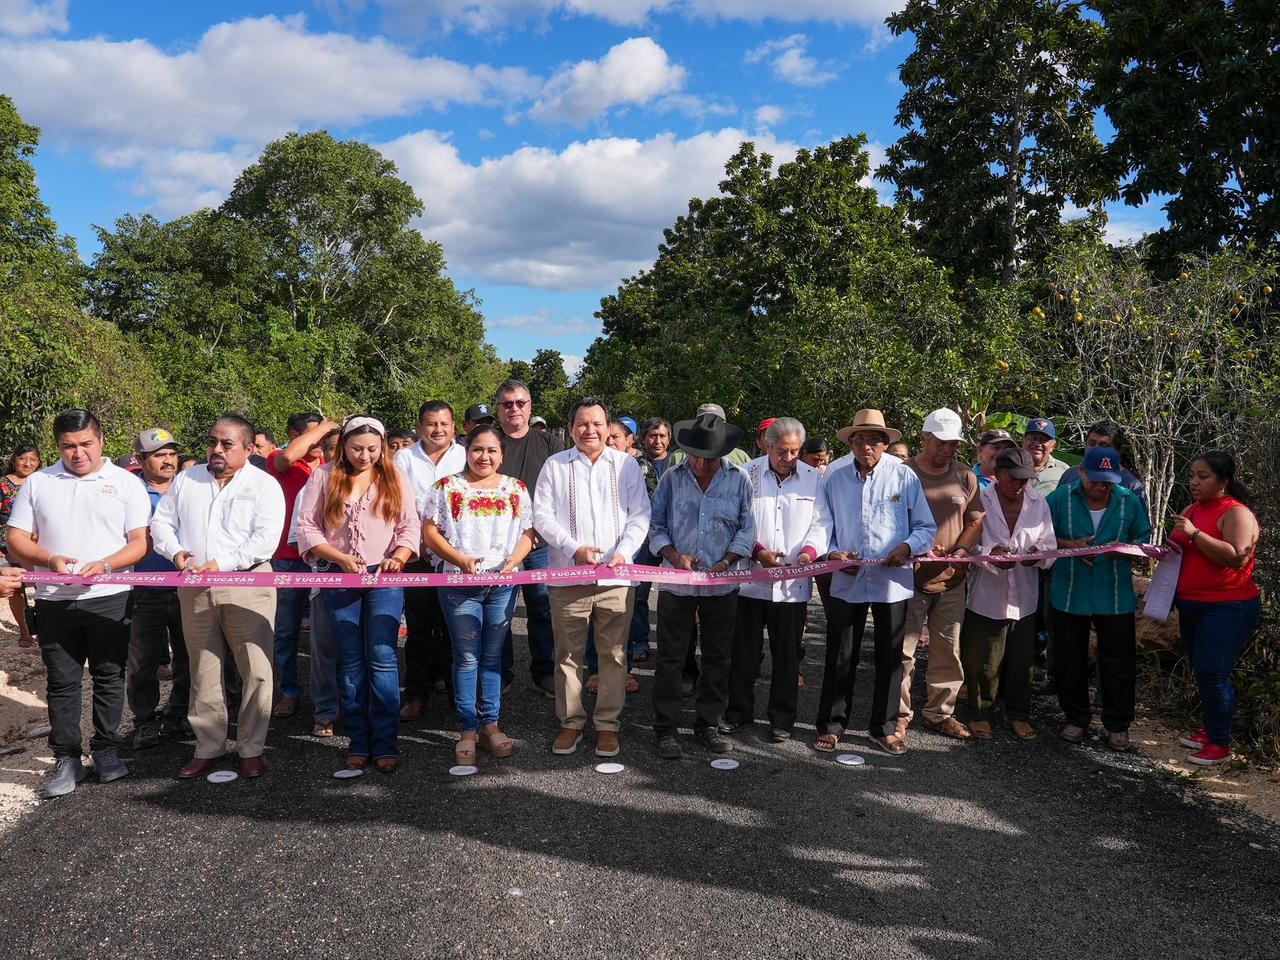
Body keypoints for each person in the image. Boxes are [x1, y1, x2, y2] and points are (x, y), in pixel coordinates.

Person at [6, 409, 150, 798]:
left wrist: (106, 564)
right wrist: (48, 559)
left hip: (110, 597)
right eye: (68, 446)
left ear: (101, 441)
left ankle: (105, 749)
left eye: (86, 443)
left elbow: (139, 542)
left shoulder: (125, 483)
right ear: (58, 446)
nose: (78, 453)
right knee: (62, 682)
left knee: (108, 675)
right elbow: (16, 538)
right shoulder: (38, 482)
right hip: (54, 599)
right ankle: (67, 758)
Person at [150, 414, 286, 780]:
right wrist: (177, 553)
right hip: (194, 584)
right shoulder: (186, 480)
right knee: (203, 668)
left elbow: (265, 539)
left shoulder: (264, 485)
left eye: (227, 444)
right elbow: (160, 523)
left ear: (249, 449)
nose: (217, 450)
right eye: (213, 442)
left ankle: (251, 748)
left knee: (256, 670)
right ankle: (208, 746)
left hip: (247, 583)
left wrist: (221, 563)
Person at [799, 409, 936, 756]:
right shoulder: (835, 476)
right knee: (841, 651)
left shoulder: (904, 477)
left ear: (886, 443)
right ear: (850, 442)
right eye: (858, 439)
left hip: (893, 579)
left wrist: (907, 547)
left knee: (891, 655)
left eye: (874, 439)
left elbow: (925, 528)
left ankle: (884, 727)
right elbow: (821, 522)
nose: (866, 446)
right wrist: (830, 554)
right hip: (848, 577)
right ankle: (832, 724)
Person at [296, 417, 419, 773]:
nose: (364, 456)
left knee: (382, 656)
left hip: (385, 575)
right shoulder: (323, 476)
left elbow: (409, 523)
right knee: (349, 659)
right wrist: (339, 558)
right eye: (356, 449)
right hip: (340, 575)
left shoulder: (394, 476)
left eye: (372, 449)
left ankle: (385, 741)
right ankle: (359, 740)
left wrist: (399, 556)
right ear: (343, 446)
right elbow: (307, 525)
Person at [534, 399, 650, 758]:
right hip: (569, 576)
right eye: (582, 424)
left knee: (614, 655)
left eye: (597, 424)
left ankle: (607, 725)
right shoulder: (555, 465)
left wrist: (624, 552)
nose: (590, 430)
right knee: (567, 655)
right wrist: (574, 548)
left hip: (616, 576)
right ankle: (570, 723)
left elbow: (640, 514)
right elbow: (542, 515)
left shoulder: (626, 465)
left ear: (607, 426)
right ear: (571, 429)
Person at [421, 425, 536, 765]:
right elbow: (431, 532)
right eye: (477, 449)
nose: (484, 457)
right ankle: (467, 729)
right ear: (466, 450)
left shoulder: (516, 489)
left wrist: (514, 560)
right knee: (466, 656)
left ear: (502, 454)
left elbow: (528, 532)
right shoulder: (447, 487)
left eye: (492, 451)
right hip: (458, 585)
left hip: (502, 586)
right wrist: (460, 560)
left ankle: (491, 724)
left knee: (492, 655)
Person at [649, 410, 755, 759]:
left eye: (711, 458)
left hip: (721, 585)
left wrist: (728, 561)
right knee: (670, 658)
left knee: (718, 657)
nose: (704, 464)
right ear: (688, 450)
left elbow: (747, 529)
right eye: (698, 456)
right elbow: (656, 524)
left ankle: (707, 724)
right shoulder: (671, 478)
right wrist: (673, 555)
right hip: (677, 584)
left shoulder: (739, 479)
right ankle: (665, 728)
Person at [1046, 446, 1151, 751]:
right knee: (1070, 657)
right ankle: (1076, 718)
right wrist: (1069, 545)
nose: (1100, 487)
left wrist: (1126, 547)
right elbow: (1039, 537)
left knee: (1119, 661)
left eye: (1106, 481)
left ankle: (1118, 725)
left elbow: (1142, 539)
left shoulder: (1128, 500)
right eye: (1094, 480)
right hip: (1070, 590)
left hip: (1114, 593)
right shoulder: (1060, 498)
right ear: (1081, 473)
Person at [723, 417, 820, 742]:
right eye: (782, 451)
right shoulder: (745, 474)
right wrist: (759, 550)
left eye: (794, 451)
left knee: (788, 656)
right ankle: (738, 712)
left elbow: (822, 523)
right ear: (767, 445)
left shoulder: (813, 479)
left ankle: (782, 720)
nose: (788, 458)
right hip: (751, 579)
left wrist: (809, 552)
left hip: (793, 585)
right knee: (744, 653)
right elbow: (737, 522)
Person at [1168, 451, 1261, 766]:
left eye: (1203, 476)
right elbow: (1179, 550)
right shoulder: (1192, 509)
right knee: (1203, 671)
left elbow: (1237, 556)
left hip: (1227, 607)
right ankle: (1210, 730)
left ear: (1224, 480)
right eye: (1192, 475)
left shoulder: (1237, 513)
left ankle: (1220, 744)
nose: (1194, 482)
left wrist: (1194, 534)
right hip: (1192, 605)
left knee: (1212, 672)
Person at [897, 409, 984, 742]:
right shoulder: (903, 474)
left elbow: (975, 521)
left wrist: (961, 553)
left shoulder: (965, 477)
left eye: (953, 444)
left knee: (948, 651)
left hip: (951, 580)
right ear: (923, 438)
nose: (947, 449)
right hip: (908, 578)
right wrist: (909, 549)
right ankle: (899, 715)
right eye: (941, 442)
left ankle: (940, 714)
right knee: (902, 652)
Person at [961, 448, 1056, 740]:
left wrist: (1036, 557)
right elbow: (967, 543)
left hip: (1024, 595)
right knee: (983, 660)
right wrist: (990, 554)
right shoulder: (981, 499)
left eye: (1025, 480)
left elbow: (1048, 543)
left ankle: (1018, 714)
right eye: (1014, 479)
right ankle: (980, 714)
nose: (1020, 485)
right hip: (986, 594)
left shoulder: (1038, 502)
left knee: (1021, 659)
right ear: (998, 474)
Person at [394, 401, 467, 719]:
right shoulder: (404, 457)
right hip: (419, 554)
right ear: (420, 427)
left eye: (444, 424)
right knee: (420, 628)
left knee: (455, 627)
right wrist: (415, 542)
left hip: (458, 554)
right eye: (431, 424)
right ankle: (416, 693)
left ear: (454, 426)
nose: (438, 430)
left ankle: (458, 697)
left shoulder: (465, 454)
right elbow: (401, 502)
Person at [267, 412, 339, 721]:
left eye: (324, 438)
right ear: (292, 434)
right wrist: (324, 426)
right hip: (288, 559)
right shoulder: (281, 461)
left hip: (328, 561)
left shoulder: (338, 466)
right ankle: (289, 691)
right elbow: (288, 455)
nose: (319, 442)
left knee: (328, 633)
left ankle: (333, 697)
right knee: (285, 630)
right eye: (312, 435)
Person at [495, 378, 563, 697]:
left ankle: (544, 671)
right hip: (498, 543)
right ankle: (502, 672)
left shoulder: (549, 443)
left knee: (541, 607)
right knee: (501, 612)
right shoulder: (489, 442)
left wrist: (541, 531)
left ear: (530, 406)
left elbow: (561, 494)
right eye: (507, 404)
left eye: (520, 403)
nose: (514, 409)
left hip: (539, 541)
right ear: (499, 409)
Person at [126, 428, 192, 749]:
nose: (168, 461)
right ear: (140, 460)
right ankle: (145, 720)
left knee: (188, 654)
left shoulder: (191, 488)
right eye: (159, 455)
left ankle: (180, 713)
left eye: (172, 454)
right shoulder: (129, 492)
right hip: (144, 588)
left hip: (188, 586)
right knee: (144, 660)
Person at [1057, 419, 1150, 518]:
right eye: (1092, 444)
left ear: (1118, 451)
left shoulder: (1131, 486)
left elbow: (1139, 530)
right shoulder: (1071, 475)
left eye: (1104, 446)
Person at [1, 442, 41, 647]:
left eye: (32, 459)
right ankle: (24, 631)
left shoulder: (44, 482)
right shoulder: (3, 485)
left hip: (39, 544)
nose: (27, 463)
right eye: (23, 458)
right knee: (16, 588)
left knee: (43, 585)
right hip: (7, 545)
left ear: (38, 462)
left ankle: (44, 628)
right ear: (14, 460)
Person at [668, 403, 752, 468]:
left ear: (724, 425)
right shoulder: (678, 456)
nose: (709, 423)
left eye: (714, 421)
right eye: (704, 420)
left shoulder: (740, 457)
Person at [1022, 417, 1069, 495]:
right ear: (1023, 441)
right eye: (1033, 438)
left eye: (1043, 440)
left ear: (1053, 446)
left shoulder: (1064, 471)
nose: (1037, 444)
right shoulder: (1009, 466)